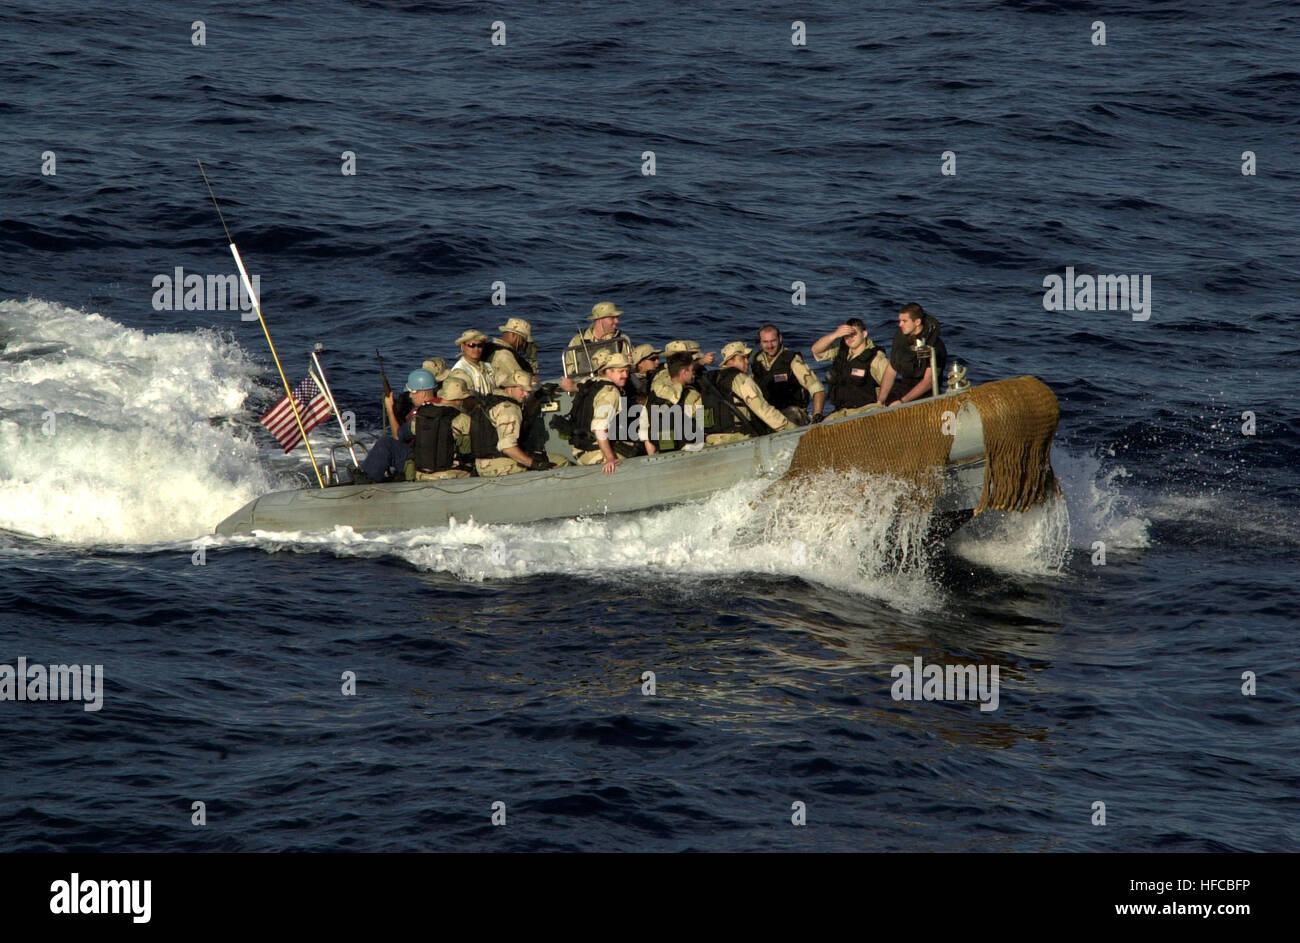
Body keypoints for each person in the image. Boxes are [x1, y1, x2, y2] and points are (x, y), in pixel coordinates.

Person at [567, 351, 656, 473]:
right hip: (596, 452)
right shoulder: (610, 392)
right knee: (642, 445)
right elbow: (599, 428)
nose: (625, 375)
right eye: (621, 371)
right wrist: (610, 458)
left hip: (582, 448)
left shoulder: (592, 383)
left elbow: (575, 386)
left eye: (627, 371)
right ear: (608, 371)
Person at [470, 371, 569, 476]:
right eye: (522, 389)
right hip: (500, 465)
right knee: (561, 462)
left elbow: (523, 415)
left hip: (482, 464)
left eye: (528, 391)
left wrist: (538, 395)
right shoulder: (509, 408)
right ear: (510, 387)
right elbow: (508, 448)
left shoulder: (489, 401)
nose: (526, 394)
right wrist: (536, 464)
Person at [700, 342, 795, 445]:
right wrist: (791, 429)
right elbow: (763, 409)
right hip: (740, 438)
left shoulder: (710, 380)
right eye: (743, 358)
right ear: (731, 360)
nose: (747, 362)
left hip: (712, 439)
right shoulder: (740, 378)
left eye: (747, 358)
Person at [361, 368, 444, 483]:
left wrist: (390, 409)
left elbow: (398, 436)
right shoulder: (444, 406)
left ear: (423, 393)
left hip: (421, 461)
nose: (410, 396)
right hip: (440, 458)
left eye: (413, 392)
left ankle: (365, 480)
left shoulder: (420, 414)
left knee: (386, 444)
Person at [811, 318, 890, 417]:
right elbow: (816, 350)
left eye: (854, 334)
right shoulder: (841, 353)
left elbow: (890, 384)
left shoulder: (876, 358)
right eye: (846, 336)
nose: (850, 338)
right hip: (841, 412)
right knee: (817, 430)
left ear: (864, 334)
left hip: (867, 410)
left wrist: (882, 404)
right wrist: (835, 334)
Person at [750, 324, 825, 425]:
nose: (770, 346)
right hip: (768, 413)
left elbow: (817, 389)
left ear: (780, 339)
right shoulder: (756, 361)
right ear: (760, 342)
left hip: (792, 412)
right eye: (765, 342)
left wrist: (817, 416)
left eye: (773, 341)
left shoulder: (792, 360)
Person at [876, 303, 947, 406]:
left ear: (917, 322)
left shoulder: (934, 345)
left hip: (925, 397)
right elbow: (892, 368)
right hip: (904, 390)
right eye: (900, 321)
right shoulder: (901, 340)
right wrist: (881, 401)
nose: (900, 325)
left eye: (904, 321)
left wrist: (902, 402)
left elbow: (929, 381)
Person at [409, 375, 473, 480]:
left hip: (421, 474)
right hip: (449, 474)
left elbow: (407, 434)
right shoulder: (462, 418)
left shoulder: (420, 415)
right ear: (459, 400)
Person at [646, 351, 704, 450]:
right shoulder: (693, 395)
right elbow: (701, 428)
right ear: (684, 372)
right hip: (686, 450)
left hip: (660, 449)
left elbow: (645, 432)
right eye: (691, 370)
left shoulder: (655, 393)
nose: (693, 373)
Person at [449, 329, 495, 396]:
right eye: (471, 345)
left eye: (480, 345)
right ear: (463, 347)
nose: (476, 349)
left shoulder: (488, 367)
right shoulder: (459, 370)